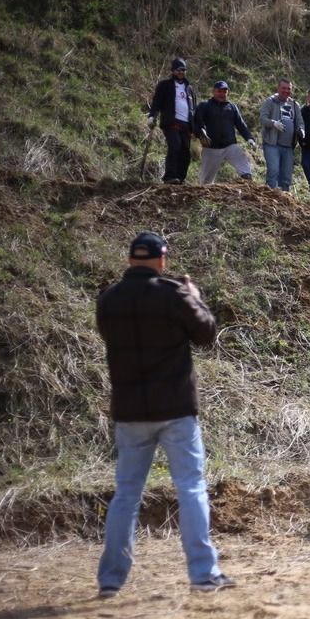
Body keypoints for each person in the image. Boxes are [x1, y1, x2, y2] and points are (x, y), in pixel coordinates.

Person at [95, 231, 234, 597]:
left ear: (130, 260)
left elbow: (108, 334)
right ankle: (203, 575)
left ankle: (111, 580)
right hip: (175, 408)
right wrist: (194, 297)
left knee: (126, 495)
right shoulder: (174, 295)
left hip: (129, 410)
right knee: (190, 489)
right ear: (162, 259)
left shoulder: (109, 299)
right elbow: (206, 333)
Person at [194, 80, 256, 184]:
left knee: (243, 164)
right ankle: (205, 197)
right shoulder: (204, 106)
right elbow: (197, 121)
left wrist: (249, 138)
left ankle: (247, 183)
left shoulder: (231, 107)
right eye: (219, 91)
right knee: (206, 182)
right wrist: (201, 133)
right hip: (211, 148)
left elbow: (240, 124)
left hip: (230, 146)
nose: (222, 94)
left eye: (224, 92)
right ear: (213, 91)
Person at [147, 58, 197, 184]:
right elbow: (157, 101)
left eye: (183, 70)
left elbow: (193, 108)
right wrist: (152, 115)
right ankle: (169, 176)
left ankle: (181, 178)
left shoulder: (189, 88)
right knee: (175, 146)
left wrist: (195, 126)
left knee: (185, 152)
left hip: (186, 124)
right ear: (173, 71)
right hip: (171, 121)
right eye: (178, 69)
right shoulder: (165, 85)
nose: (181, 72)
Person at [259, 78, 304, 191]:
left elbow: (300, 121)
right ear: (278, 88)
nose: (286, 91)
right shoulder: (270, 101)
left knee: (286, 176)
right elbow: (263, 118)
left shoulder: (294, 104)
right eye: (283, 88)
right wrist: (273, 123)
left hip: (288, 146)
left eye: (288, 89)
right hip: (272, 144)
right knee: (273, 171)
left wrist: (301, 129)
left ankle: (284, 200)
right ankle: (271, 198)